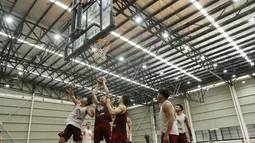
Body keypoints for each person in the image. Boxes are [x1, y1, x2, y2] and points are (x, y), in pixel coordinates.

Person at [92, 77, 112, 143]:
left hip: (105, 124)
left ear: (106, 99)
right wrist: (97, 85)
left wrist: (104, 83)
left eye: (103, 97)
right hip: (97, 125)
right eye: (101, 97)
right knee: (96, 141)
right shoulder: (97, 103)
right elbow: (93, 93)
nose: (102, 97)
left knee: (109, 141)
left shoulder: (107, 103)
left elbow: (107, 92)